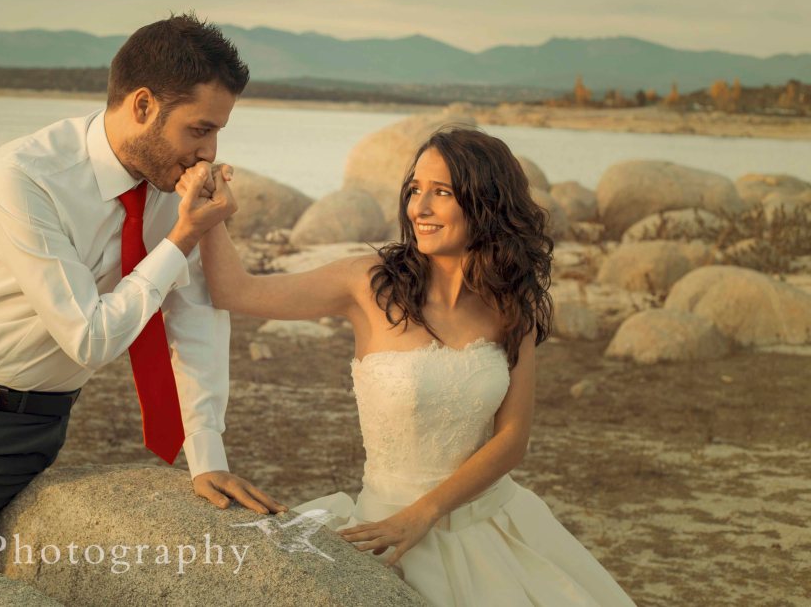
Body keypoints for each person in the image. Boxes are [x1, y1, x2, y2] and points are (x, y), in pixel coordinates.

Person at [0, 12, 285, 547]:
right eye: (199, 129)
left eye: (217, 133)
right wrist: (180, 239)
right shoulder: (25, 176)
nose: (208, 152)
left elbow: (191, 313)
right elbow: (89, 330)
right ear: (143, 106)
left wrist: (206, 453)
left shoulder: (177, 194)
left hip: (17, 430)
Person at [191, 127, 636, 605]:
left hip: (492, 524)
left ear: (485, 201)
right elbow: (235, 292)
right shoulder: (368, 283)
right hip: (382, 523)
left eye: (440, 193)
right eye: (414, 190)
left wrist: (425, 513)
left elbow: (511, 440)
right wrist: (212, 215)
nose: (418, 209)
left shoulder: (511, 306)